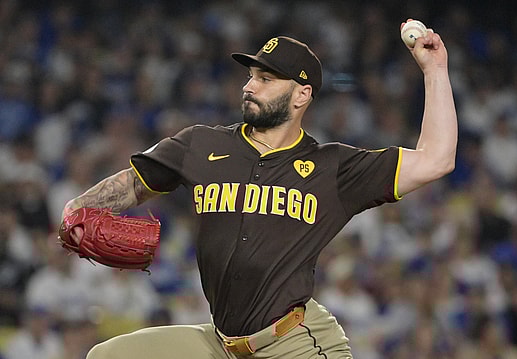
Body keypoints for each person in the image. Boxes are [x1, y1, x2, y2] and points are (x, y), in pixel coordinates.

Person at [62, 21, 458, 358]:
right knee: (107, 355)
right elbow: (132, 183)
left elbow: (436, 159)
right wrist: (77, 207)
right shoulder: (200, 144)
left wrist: (434, 70)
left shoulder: (333, 167)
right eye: (251, 76)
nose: (249, 86)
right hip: (219, 343)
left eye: (266, 79)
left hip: (292, 343)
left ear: (301, 94)